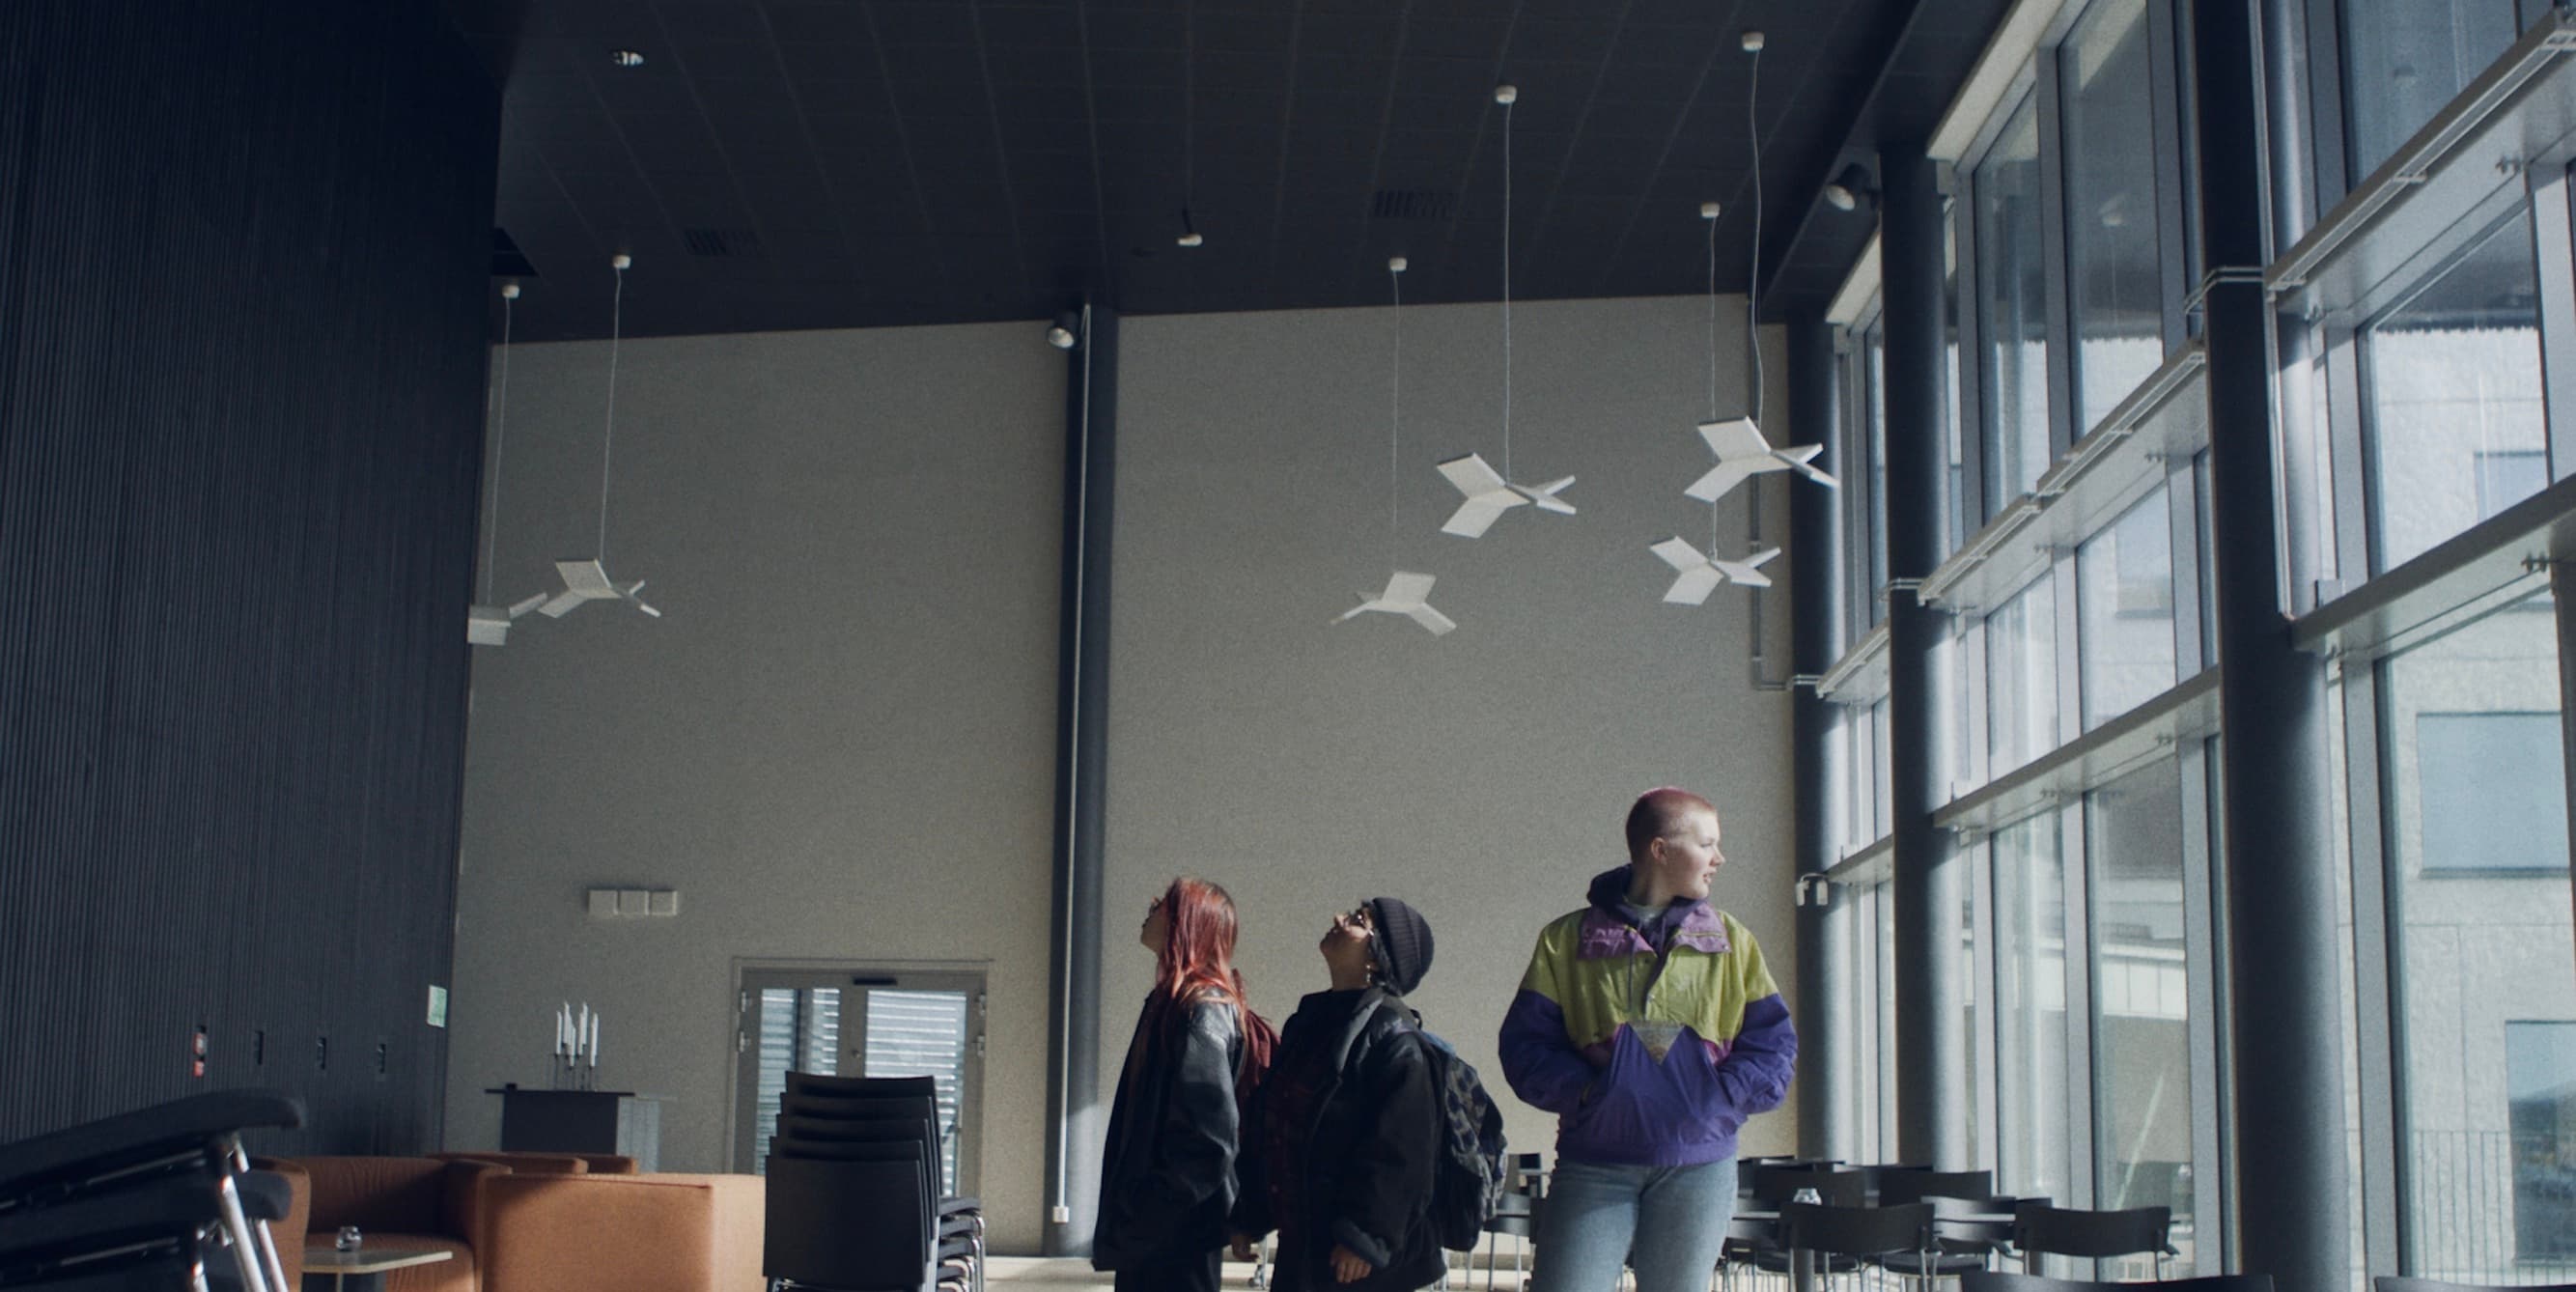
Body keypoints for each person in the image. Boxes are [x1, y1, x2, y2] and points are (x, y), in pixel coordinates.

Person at [1496, 787, 1798, 1292]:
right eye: (1707, 844)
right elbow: (1526, 1045)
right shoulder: (1565, 941)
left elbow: (1774, 1044)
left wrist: (1723, 1095)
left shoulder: (1733, 942)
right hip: (1595, 1163)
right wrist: (1589, 1093)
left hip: (1700, 1166)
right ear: (1660, 850)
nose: (1719, 858)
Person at [1229, 897, 1447, 1291]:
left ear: (1377, 958)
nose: (1339, 918)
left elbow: (1403, 1150)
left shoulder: (1395, 1039)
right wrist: (1250, 1213)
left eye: (1358, 919)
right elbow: (1272, 1125)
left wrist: (1365, 1237)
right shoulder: (1309, 1023)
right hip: (1303, 1245)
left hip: (1357, 1263)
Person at [1094, 876, 1275, 1292]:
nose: (1152, 902)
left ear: (1188, 922)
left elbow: (1209, 1140)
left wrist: (1148, 1213)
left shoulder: (1201, 1009)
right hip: (1165, 1232)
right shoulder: (1174, 1003)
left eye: (1166, 900)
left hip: (1173, 1233)